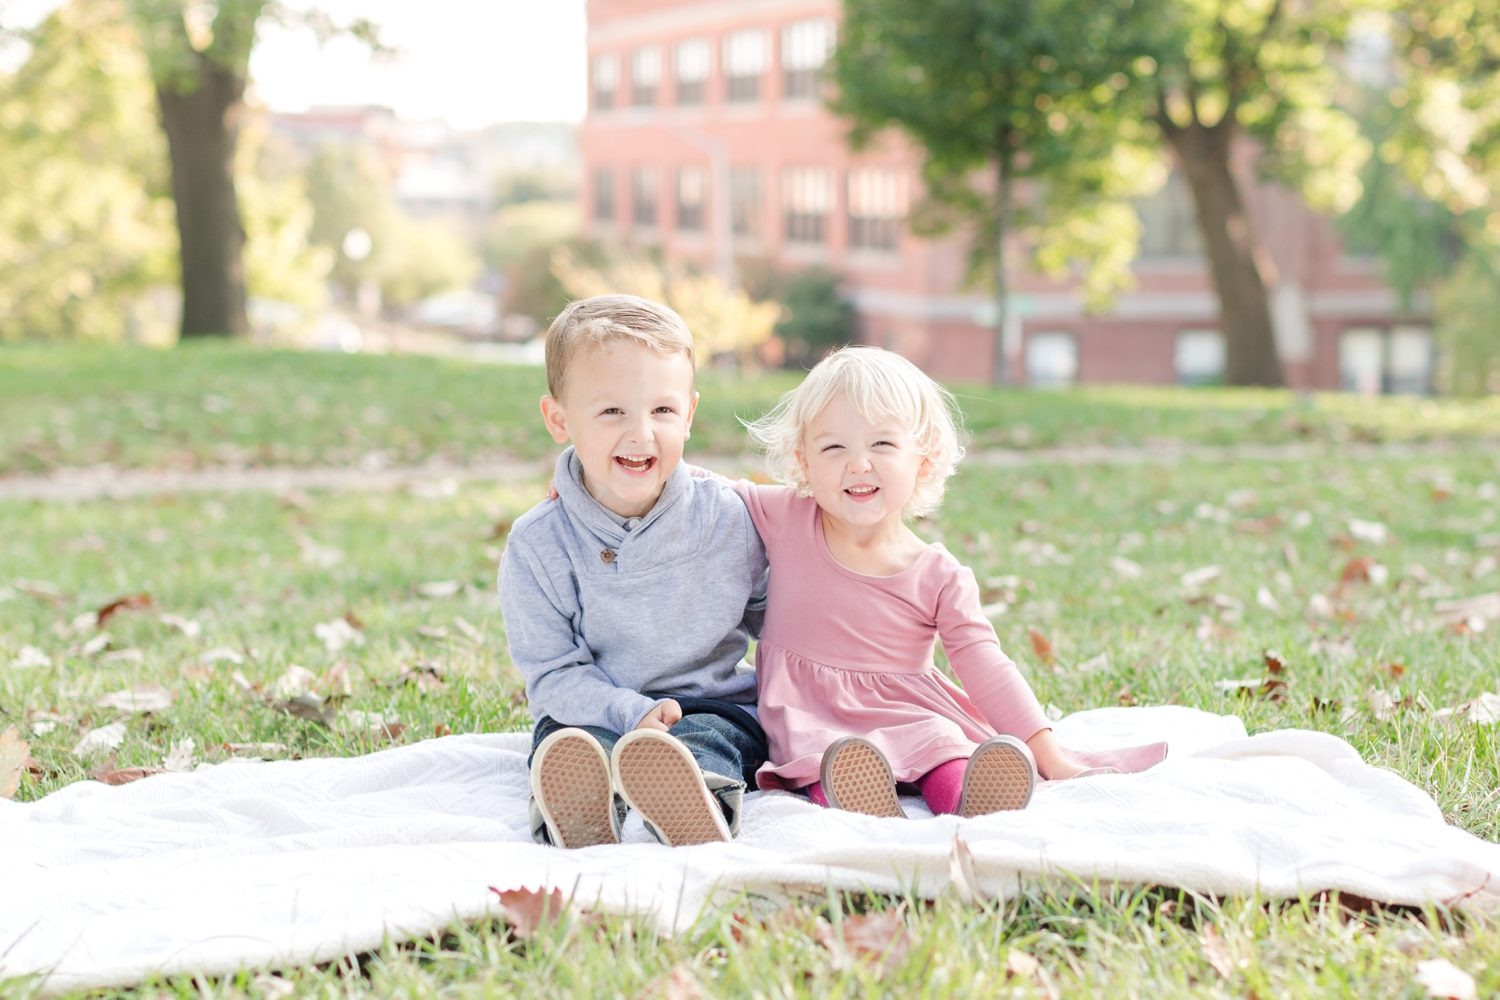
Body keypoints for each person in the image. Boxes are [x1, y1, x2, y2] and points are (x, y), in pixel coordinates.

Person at [726, 346, 1109, 819]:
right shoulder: (786, 517)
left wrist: (1051, 757)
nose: (859, 464)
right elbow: (702, 494)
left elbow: (986, 667)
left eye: (882, 445)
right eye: (833, 448)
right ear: (805, 462)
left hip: (910, 711)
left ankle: (972, 797)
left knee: (943, 745)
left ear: (923, 460)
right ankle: (862, 803)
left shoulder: (938, 574)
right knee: (832, 761)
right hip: (812, 721)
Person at [497, 294, 768, 849]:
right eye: (612, 411)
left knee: (713, 738)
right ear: (559, 419)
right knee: (570, 742)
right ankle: (575, 809)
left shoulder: (729, 518)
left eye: (662, 411)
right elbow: (552, 673)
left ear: (689, 414)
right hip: (594, 703)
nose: (641, 433)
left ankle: (697, 799)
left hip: (710, 701)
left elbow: (783, 621)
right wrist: (629, 713)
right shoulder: (539, 544)